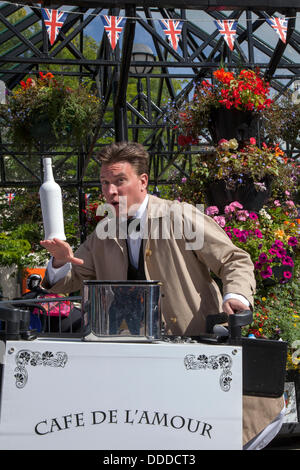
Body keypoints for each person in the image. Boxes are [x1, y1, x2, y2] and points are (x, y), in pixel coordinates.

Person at [40, 141, 284, 449]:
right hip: (135, 365)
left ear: (142, 182)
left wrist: (235, 295)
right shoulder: (103, 232)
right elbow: (72, 278)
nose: (111, 191)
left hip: (192, 351)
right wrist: (61, 260)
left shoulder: (180, 216)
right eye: (105, 183)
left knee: (208, 434)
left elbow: (233, 260)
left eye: (120, 181)